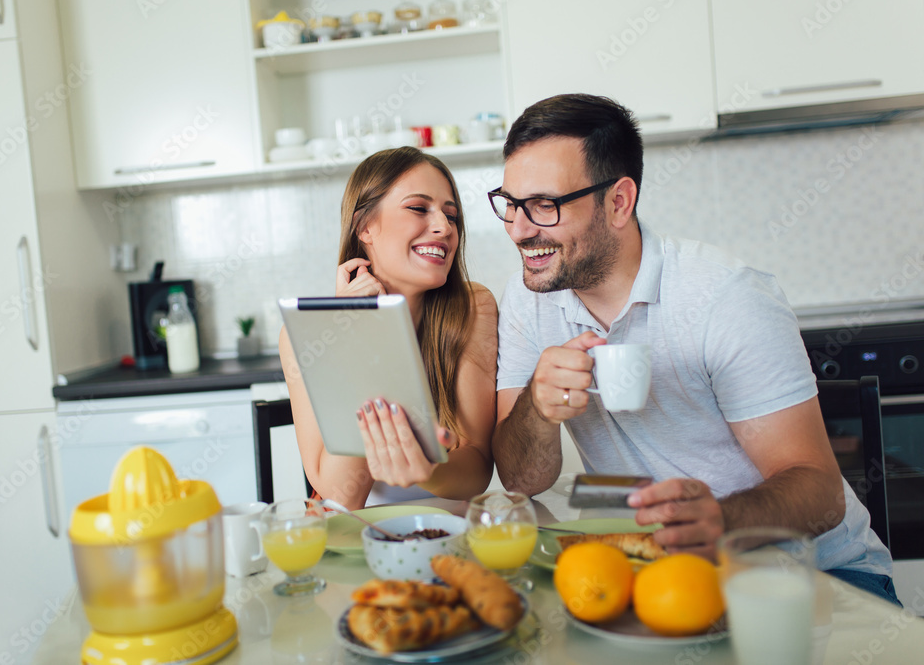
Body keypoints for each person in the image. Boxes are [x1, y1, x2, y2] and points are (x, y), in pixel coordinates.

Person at [490, 93, 899, 605]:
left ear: (618, 201)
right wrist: (536, 407)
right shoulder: (529, 300)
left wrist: (723, 520)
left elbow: (820, 490)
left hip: (819, 579)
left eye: (544, 206)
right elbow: (521, 479)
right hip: (667, 579)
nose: (520, 230)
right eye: (510, 205)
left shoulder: (725, 298)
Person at [280, 147, 498, 510]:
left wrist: (425, 470)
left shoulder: (472, 308)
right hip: (361, 531)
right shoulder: (309, 334)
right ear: (365, 226)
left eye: (451, 215)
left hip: (452, 523)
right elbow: (341, 496)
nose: (444, 228)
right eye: (418, 208)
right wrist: (357, 337)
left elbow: (477, 471)